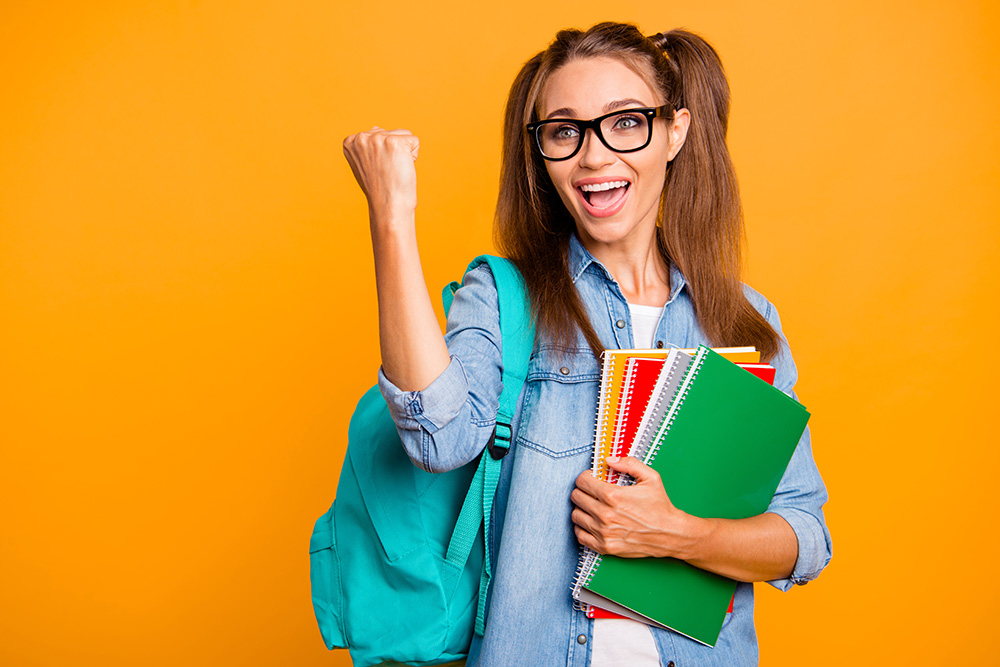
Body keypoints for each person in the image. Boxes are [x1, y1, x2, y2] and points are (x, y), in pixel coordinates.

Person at [343, 21, 831, 667]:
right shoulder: (504, 296)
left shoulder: (741, 320)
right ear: (540, 152)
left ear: (675, 131)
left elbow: (803, 536)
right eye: (564, 130)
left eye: (625, 121)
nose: (594, 155)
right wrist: (391, 215)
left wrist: (678, 533)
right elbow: (439, 438)